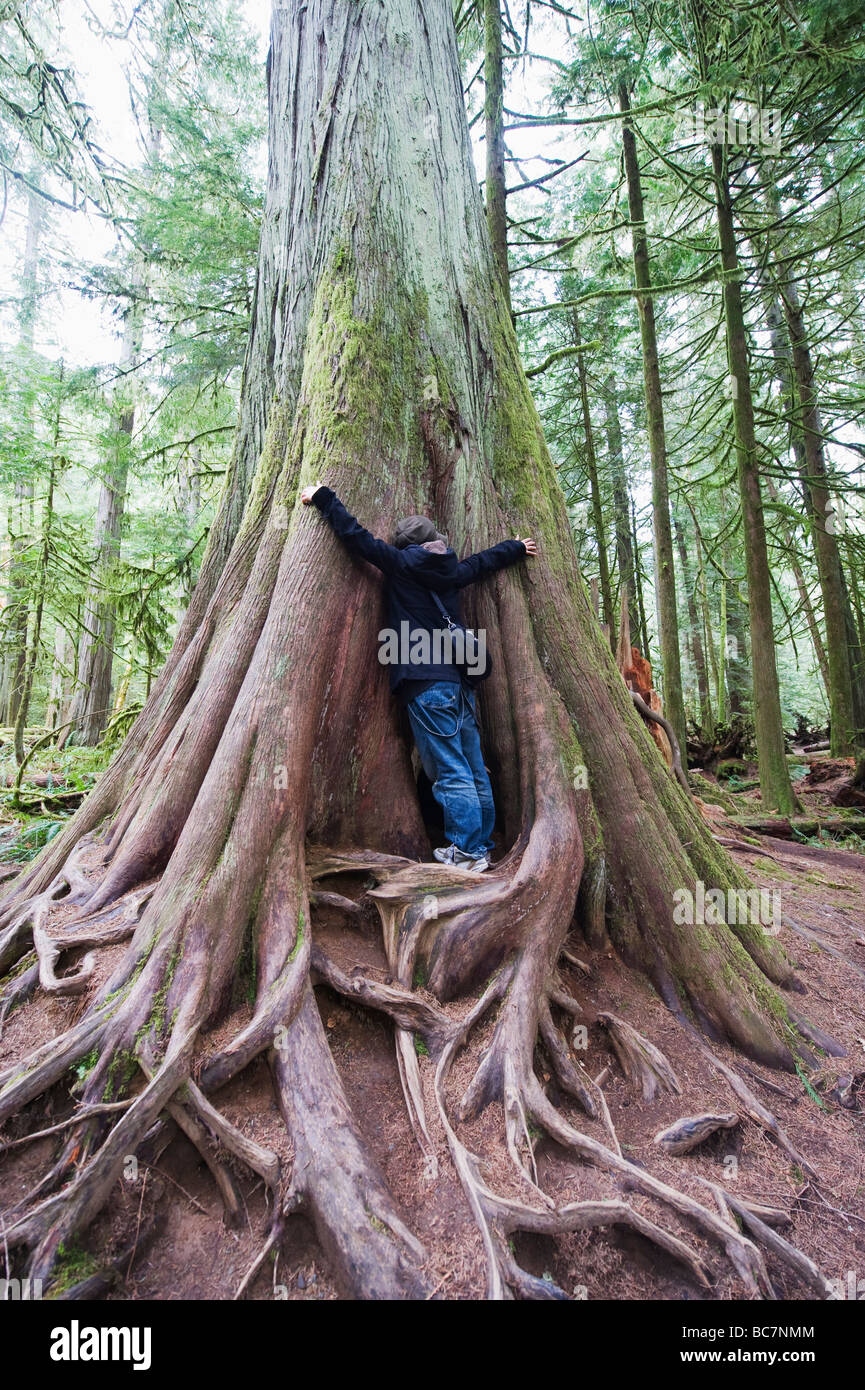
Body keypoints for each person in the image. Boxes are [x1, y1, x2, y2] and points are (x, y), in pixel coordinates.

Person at [301, 481, 536, 872]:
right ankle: (480, 845)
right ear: (435, 543)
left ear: (403, 546)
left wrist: (323, 497)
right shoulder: (451, 569)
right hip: (461, 684)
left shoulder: (400, 564)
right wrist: (514, 548)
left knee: (450, 771)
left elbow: (358, 539)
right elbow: (480, 563)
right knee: (473, 767)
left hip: (426, 686)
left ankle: (467, 852)